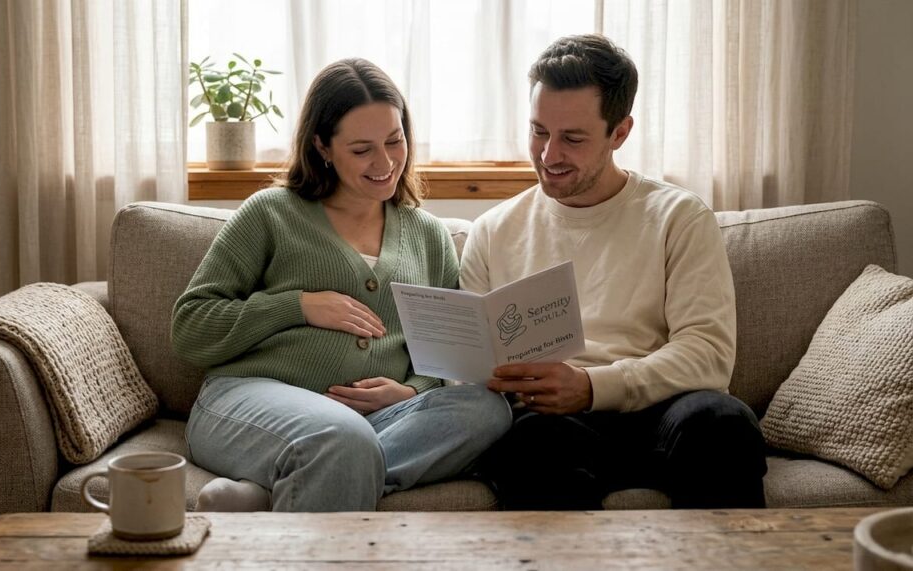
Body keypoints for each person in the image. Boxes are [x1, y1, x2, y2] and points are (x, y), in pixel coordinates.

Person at [172, 58, 511, 512]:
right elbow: (191, 327)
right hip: (248, 397)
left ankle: (283, 487)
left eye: (395, 141)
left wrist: (413, 390)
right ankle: (319, 464)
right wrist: (297, 305)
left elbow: (446, 351)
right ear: (322, 146)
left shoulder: (429, 236)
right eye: (361, 149)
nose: (385, 162)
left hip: (378, 419)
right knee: (340, 436)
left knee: (486, 410)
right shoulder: (271, 213)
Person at [461, 34, 767, 510]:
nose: (548, 155)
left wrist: (590, 387)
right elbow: (471, 370)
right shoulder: (494, 231)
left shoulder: (678, 217)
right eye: (539, 131)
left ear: (620, 132)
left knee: (721, 420)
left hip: (659, 411)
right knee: (530, 444)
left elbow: (708, 355)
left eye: (573, 138)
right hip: (553, 428)